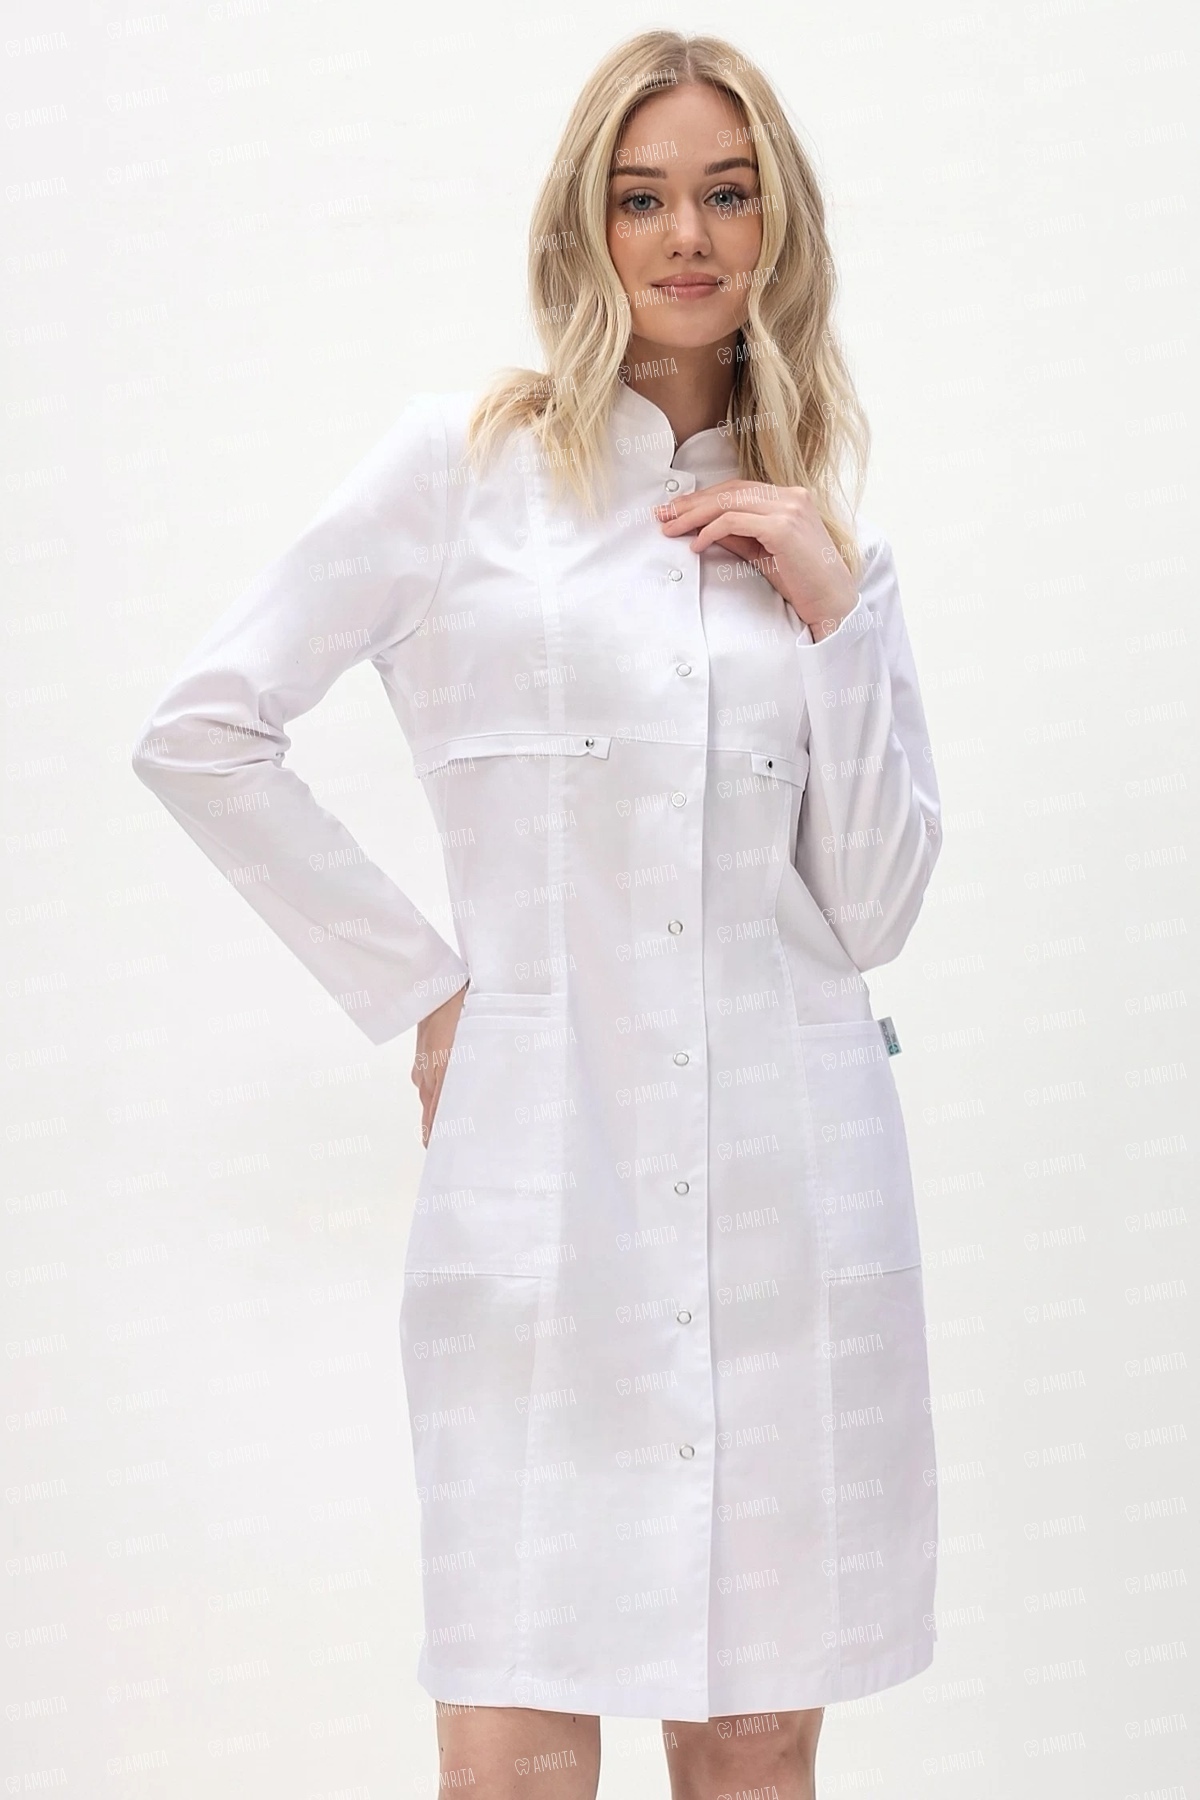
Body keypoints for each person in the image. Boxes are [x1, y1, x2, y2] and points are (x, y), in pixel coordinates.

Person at [132, 29, 943, 1800]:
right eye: (641, 198)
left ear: (781, 227)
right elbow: (203, 730)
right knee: (514, 1749)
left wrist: (838, 610)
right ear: (583, 225)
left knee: (754, 1743)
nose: (687, 237)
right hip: (547, 1185)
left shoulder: (822, 538)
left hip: (786, 1192)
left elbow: (874, 905)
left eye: (727, 194)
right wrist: (429, 994)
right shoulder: (464, 470)